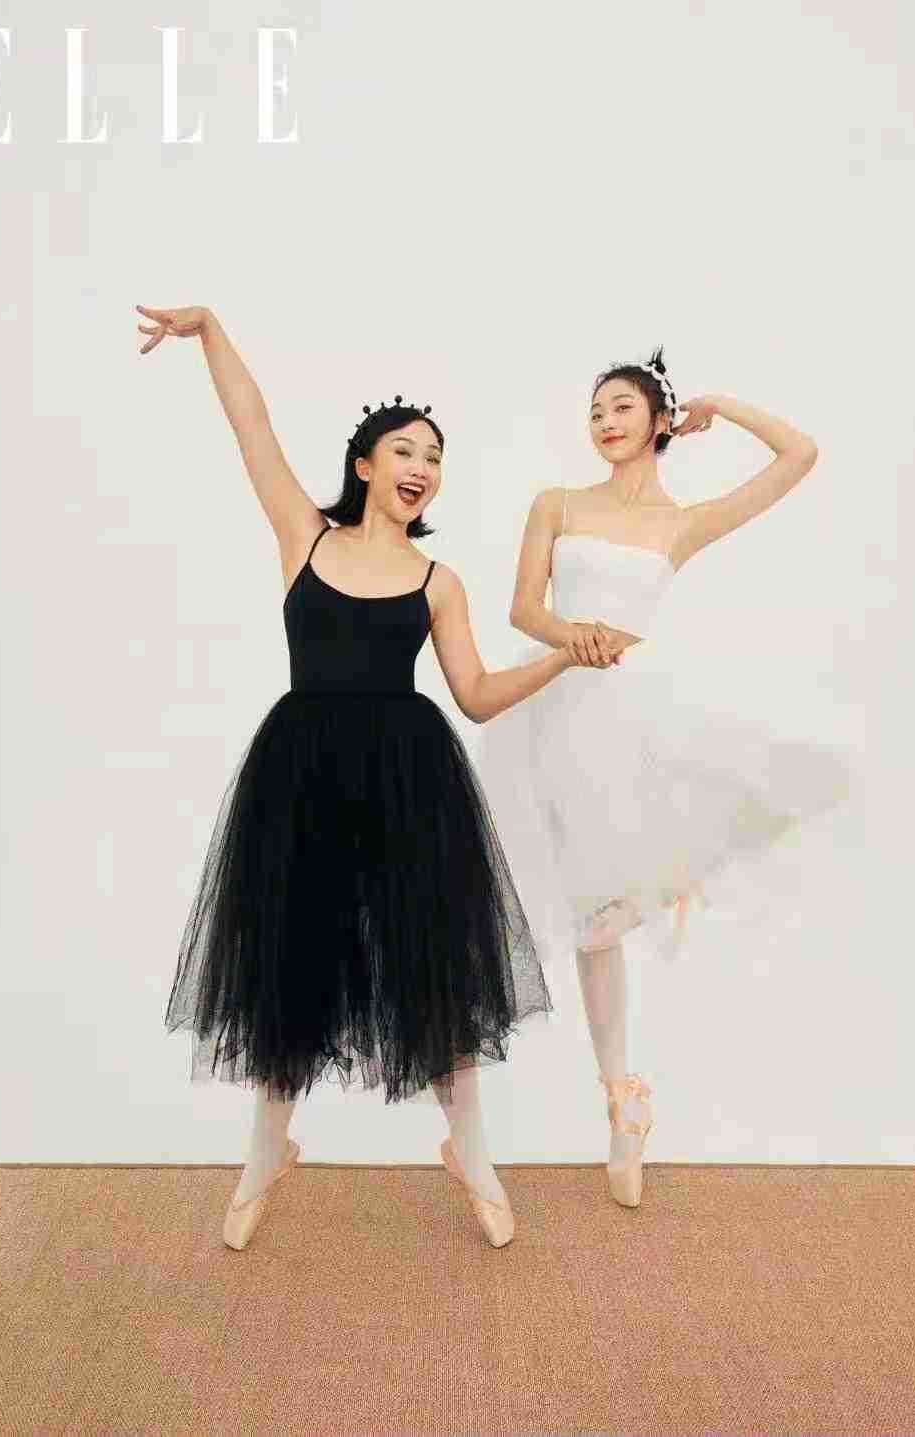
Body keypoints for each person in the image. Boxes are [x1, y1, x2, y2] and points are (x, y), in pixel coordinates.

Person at [138, 304, 608, 1250]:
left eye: (434, 455)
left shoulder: (439, 582)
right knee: (290, 962)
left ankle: (469, 1150)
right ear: (365, 464)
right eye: (405, 448)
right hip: (301, 775)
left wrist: (562, 653)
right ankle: (267, 1149)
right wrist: (211, 331)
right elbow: (252, 425)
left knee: (432, 965)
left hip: (408, 780)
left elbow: (476, 694)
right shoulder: (303, 537)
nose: (421, 464)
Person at [476, 347, 852, 1208]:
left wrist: (718, 402)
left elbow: (799, 454)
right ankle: (622, 1099)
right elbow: (523, 606)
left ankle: (625, 1093)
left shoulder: (682, 524)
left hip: (627, 720)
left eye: (620, 406)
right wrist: (574, 635)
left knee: (612, 907)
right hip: (549, 709)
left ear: (657, 420)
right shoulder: (557, 502)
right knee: (585, 923)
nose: (604, 421)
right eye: (595, 411)